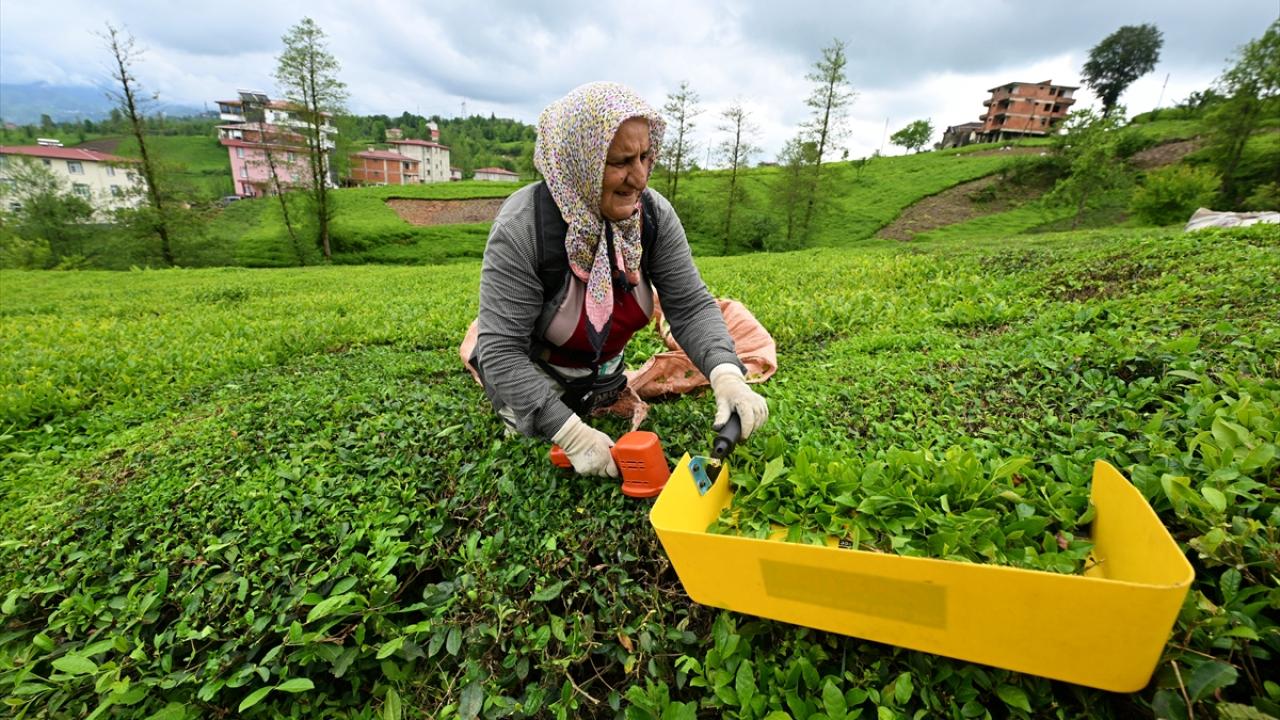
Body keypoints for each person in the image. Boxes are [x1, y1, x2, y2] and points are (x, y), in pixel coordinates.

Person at [471, 81, 768, 478]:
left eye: (646, 156)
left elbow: (690, 304)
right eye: (620, 162)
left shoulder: (652, 216)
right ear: (581, 161)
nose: (640, 177)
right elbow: (501, 350)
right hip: (539, 378)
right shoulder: (523, 229)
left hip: (605, 377)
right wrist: (572, 434)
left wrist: (727, 375)